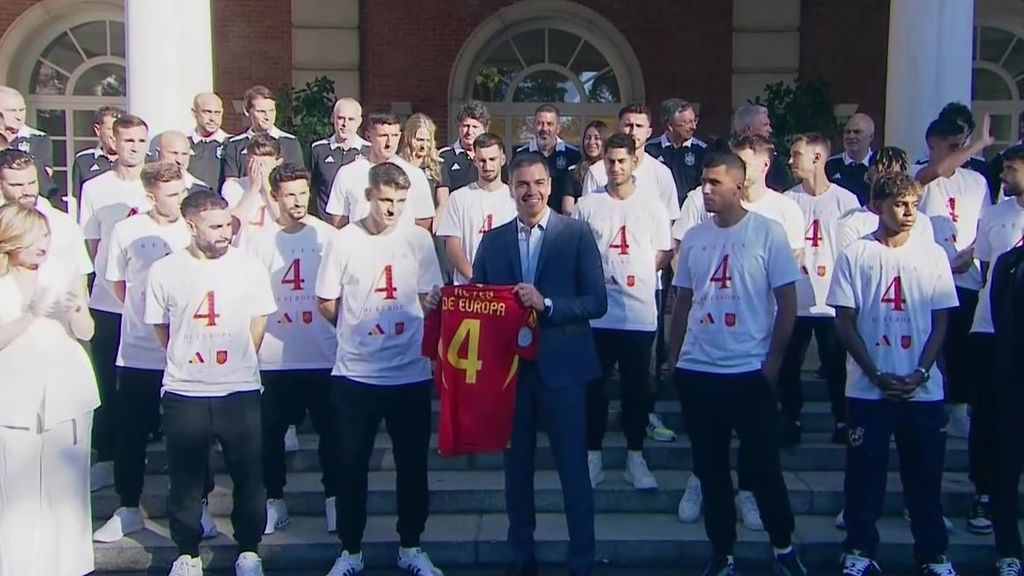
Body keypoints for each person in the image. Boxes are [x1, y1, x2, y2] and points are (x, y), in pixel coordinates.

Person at [469, 152, 607, 576]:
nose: (532, 192)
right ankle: (521, 556)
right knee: (517, 472)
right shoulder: (492, 242)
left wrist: (546, 305)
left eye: (539, 184)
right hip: (511, 375)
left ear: (550, 185)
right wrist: (445, 302)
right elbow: (477, 302)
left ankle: (582, 559)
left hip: (563, 370)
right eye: (523, 185)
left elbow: (596, 302)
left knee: (573, 470)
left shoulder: (577, 234)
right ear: (511, 189)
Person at [668, 152, 804, 576]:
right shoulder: (694, 237)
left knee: (764, 467)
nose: (705, 190)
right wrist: (675, 359)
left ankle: (783, 547)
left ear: (738, 187)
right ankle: (722, 552)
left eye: (714, 183)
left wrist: (773, 362)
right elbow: (683, 300)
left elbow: (787, 302)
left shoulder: (768, 233)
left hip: (749, 371)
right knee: (710, 470)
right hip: (700, 370)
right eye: (703, 183)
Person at [828, 172, 960, 576]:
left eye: (913, 205)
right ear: (877, 207)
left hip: (922, 390)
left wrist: (921, 371)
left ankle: (933, 554)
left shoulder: (932, 253)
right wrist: (876, 372)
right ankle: (860, 551)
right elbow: (845, 322)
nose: (907, 213)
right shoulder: (856, 255)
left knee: (924, 480)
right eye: (899, 205)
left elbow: (940, 322)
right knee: (864, 479)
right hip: (869, 390)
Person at [315, 163, 444, 576]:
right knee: (351, 466)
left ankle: (411, 545)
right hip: (355, 375)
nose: (393, 210)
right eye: (386, 200)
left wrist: (419, 315)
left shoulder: (419, 240)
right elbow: (326, 301)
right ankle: (350, 550)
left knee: (412, 467)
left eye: (401, 203)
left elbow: (429, 298)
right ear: (369, 196)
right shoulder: (344, 240)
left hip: (410, 373)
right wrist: (357, 331)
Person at [145, 190, 276, 576]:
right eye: (215, 227)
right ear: (190, 226)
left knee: (249, 475)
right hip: (186, 390)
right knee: (185, 477)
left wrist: (241, 358)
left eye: (227, 225)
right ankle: (187, 553)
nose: (226, 233)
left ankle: (249, 550)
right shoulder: (165, 271)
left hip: (238, 388)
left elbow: (259, 319)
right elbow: (160, 327)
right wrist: (187, 359)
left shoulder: (248, 266)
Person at [92, 162, 218, 544]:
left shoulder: (192, 229)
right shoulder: (126, 231)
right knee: (131, 433)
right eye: (172, 195)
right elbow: (116, 283)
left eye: (181, 192)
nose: (180, 200)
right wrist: (144, 318)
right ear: (150, 196)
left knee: (196, 435)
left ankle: (201, 508)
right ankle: (128, 508)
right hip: (138, 354)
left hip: (189, 354)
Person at [0, 203, 99, 576]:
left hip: (66, 392)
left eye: (45, 235)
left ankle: (69, 568)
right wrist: (31, 314)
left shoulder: (62, 273)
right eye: (33, 236)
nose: (43, 244)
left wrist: (75, 312)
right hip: (12, 396)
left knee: (67, 491)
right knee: (15, 492)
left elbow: (87, 331)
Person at [243, 164, 340, 535]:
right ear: (276, 197)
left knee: (332, 435)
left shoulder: (329, 236)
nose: (297, 201)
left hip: (322, 354)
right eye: (289, 195)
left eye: (302, 193)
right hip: (273, 358)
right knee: (268, 437)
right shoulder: (259, 240)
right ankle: (274, 502)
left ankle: (334, 500)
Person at [574, 133, 672, 491]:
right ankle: (592, 457)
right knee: (594, 390)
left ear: (633, 163)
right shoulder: (588, 205)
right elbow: (579, 254)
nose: (615, 168)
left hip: (638, 315)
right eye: (610, 161)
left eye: (621, 161)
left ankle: (635, 457)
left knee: (636, 391)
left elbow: (663, 253)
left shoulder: (653, 206)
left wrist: (639, 275)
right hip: (598, 315)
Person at [79, 113, 152, 492]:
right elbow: (93, 244)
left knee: (149, 383)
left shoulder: (155, 186)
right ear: (114, 142)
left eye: (141, 141)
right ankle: (106, 456)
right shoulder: (95, 188)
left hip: (150, 305)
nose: (134, 148)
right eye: (128, 141)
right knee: (108, 381)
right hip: (109, 304)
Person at [779, 133, 860, 447]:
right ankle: (791, 417)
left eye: (797, 154)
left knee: (837, 363)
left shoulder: (846, 201)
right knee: (789, 362)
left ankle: (842, 419)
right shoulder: (788, 200)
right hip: (796, 298)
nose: (791, 160)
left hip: (832, 299)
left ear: (817, 157)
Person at [917, 116, 993, 440]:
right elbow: (932, 173)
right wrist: (979, 144)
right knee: (933, 342)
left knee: (961, 345)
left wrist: (971, 253)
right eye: (948, 147)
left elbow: (986, 224)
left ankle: (959, 406)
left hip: (966, 276)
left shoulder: (976, 181)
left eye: (958, 146)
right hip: (928, 279)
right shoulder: (920, 176)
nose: (956, 153)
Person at [962, 144, 1024, 539]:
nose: (1002, 176)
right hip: (989, 330)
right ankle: (983, 491)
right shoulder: (995, 214)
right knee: (986, 416)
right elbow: (987, 269)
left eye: (1011, 169)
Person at [325, 111, 435, 230]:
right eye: (383, 136)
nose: (389, 143)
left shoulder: (415, 175)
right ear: (368, 136)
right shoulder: (348, 173)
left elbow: (423, 222)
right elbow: (339, 222)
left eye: (394, 136)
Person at [990, 204, 1024, 576]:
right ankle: (1009, 549)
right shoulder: (1010, 264)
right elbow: (1003, 320)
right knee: (1007, 466)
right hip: (1014, 379)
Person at [436, 132, 515, 285]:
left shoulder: (515, 199)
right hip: (468, 289)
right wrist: (474, 278)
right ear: (475, 161)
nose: (487, 166)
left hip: (506, 287)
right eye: (482, 160)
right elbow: (452, 246)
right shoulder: (458, 198)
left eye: (492, 159)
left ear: (503, 159)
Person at [0, 149, 92, 276]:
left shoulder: (63, 224)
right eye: (17, 185)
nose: (27, 191)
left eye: (32, 183)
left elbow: (80, 275)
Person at [220, 85, 303, 185]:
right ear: (247, 111)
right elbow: (231, 183)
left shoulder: (290, 142)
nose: (268, 117)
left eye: (271, 110)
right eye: (261, 111)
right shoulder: (234, 145)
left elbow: (297, 181)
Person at [513, 104, 581, 213]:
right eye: (540, 123)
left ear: (558, 128)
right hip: (529, 218)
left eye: (549, 124)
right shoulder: (521, 154)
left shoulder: (573, 155)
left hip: (562, 221)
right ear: (534, 126)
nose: (544, 128)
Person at [311, 98, 368, 218]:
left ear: (359, 121)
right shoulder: (318, 149)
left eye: (351, 119)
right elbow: (310, 188)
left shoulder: (369, 151)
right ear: (333, 118)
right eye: (341, 118)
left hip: (357, 228)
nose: (345, 124)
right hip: (324, 226)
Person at [646, 98, 707, 205]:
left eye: (694, 120)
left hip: (690, 214)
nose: (693, 127)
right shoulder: (650, 150)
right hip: (659, 211)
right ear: (670, 125)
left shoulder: (702, 151)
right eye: (687, 123)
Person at [0, 86, 55, 202]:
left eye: (22, 110)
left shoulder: (38, 139)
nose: (19, 116)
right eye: (12, 111)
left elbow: (44, 183)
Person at [436, 100, 490, 213]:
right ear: (458, 127)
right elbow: (443, 200)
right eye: (466, 126)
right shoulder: (444, 157)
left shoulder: (492, 157)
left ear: (484, 129)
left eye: (475, 127)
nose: (469, 132)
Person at [72, 106, 123, 216]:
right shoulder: (83, 160)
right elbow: (78, 201)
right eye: (111, 129)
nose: (116, 135)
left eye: (119, 130)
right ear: (98, 130)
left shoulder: (138, 160)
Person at [732, 104, 789, 191]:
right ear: (748, 129)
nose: (770, 130)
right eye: (765, 125)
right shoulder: (726, 158)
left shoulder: (774, 159)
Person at [825, 113, 877, 205]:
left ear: (871, 136)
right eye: (847, 132)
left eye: (857, 132)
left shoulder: (879, 164)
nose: (851, 136)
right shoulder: (829, 166)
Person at [564, 120, 611, 215]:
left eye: (597, 138)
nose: (591, 142)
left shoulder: (612, 170)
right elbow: (567, 208)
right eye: (588, 138)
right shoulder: (573, 172)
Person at [188, 92, 229, 189]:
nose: (212, 118)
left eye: (217, 113)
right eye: (207, 112)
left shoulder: (233, 145)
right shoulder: (183, 144)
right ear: (194, 113)